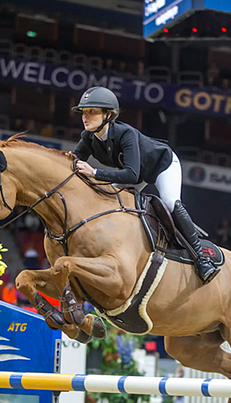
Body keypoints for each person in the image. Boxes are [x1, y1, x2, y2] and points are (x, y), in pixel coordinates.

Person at [70, 87, 219, 284]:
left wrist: (95, 173)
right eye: (84, 112)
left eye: (92, 112)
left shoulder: (126, 134)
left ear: (108, 115)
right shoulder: (88, 137)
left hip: (161, 166)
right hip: (136, 172)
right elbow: (71, 161)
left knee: (170, 203)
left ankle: (202, 260)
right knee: (107, 197)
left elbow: (132, 175)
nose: (85, 117)